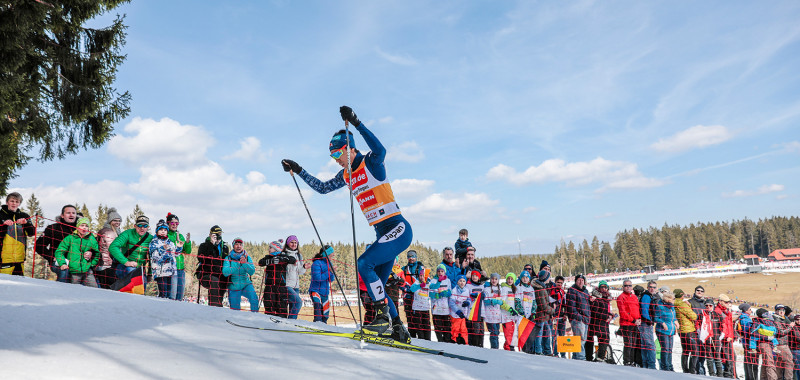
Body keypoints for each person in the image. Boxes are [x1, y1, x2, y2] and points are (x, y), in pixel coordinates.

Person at [282, 105, 413, 342]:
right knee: (378, 286)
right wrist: (299, 170)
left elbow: (381, 149)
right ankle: (398, 328)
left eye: (336, 154)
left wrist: (356, 122)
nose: (335, 161)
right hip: (382, 234)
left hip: (398, 228)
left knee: (364, 263)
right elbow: (322, 188)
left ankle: (382, 319)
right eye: (332, 157)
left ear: (349, 149)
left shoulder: (371, 163)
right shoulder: (346, 175)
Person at [35, 204, 78, 282]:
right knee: (64, 272)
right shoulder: (53, 228)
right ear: (62, 215)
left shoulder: (81, 230)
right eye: (68, 213)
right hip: (58, 261)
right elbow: (39, 246)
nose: (71, 215)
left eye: (73, 213)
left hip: (77, 261)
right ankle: (60, 292)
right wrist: (51, 257)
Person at [54, 216, 100, 287]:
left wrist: (91, 264)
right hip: (73, 271)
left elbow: (97, 253)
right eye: (82, 225)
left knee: (94, 288)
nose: (84, 227)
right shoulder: (70, 238)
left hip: (87, 270)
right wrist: (62, 263)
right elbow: (59, 251)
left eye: (86, 226)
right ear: (77, 226)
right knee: (74, 289)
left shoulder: (91, 239)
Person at [0, 192, 36, 276]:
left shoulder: (24, 216)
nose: (14, 203)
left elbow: (32, 233)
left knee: (19, 287)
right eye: (12, 201)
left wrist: (26, 223)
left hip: (19, 259)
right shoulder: (1, 215)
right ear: (7, 202)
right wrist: (3, 225)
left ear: (19, 203)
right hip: (3, 259)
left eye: (17, 202)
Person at [109, 215, 153, 281]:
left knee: (142, 286)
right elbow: (113, 247)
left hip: (140, 270)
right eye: (140, 225)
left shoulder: (150, 238)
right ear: (135, 226)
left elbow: (152, 256)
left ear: (148, 227)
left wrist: (150, 274)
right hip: (124, 266)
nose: (142, 228)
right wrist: (126, 262)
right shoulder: (127, 234)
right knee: (132, 275)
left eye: (145, 226)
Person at [196, 225, 230, 307]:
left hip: (220, 275)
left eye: (220, 234)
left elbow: (226, 261)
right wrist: (212, 244)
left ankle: (218, 304)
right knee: (214, 280)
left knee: (226, 280)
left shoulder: (224, 247)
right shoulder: (204, 246)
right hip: (206, 274)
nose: (218, 236)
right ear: (210, 235)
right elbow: (201, 259)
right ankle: (215, 306)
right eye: (216, 234)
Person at [258, 239, 295, 316]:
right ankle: (269, 319)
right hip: (269, 286)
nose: (269, 249)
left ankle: (283, 321)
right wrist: (270, 261)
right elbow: (260, 262)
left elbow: (292, 260)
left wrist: (282, 259)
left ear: (276, 248)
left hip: (281, 286)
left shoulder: (283, 256)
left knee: (282, 305)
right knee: (269, 303)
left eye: (270, 248)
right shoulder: (268, 257)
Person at [222, 238, 258, 312]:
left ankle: (255, 317)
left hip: (246, 285)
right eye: (236, 244)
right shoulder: (228, 258)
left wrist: (245, 264)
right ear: (233, 246)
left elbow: (252, 272)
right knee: (235, 310)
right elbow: (225, 272)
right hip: (233, 287)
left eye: (240, 245)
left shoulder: (247, 257)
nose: (239, 246)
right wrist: (237, 265)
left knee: (254, 298)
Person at [149, 220, 182, 298]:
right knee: (163, 293)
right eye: (161, 230)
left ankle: (166, 308)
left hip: (170, 272)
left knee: (168, 294)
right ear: (157, 231)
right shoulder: (154, 242)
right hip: (160, 272)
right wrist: (162, 248)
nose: (163, 232)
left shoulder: (170, 242)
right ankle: (160, 308)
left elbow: (175, 254)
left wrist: (179, 248)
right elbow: (154, 256)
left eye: (165, 230)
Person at [95, 208, 122, 289]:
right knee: (109, 290)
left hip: (105, 265)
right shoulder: (109, 232)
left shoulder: (114, 231)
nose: (117, 223)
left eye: (119, 220)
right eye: (115, 220)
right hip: (107, 266)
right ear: (110, 221)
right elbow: (113, 249)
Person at [165, 213, 191, 301]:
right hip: (170, 268)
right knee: (171, 295)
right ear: (168, 223)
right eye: (172, 223)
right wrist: (175, 242)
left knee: (180, 294)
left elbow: (187, 251)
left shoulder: (180, 236)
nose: (175, 225)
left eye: (177, 223)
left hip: (180, 268)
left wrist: (187, 242)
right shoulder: (166, 235)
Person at [586, 280, 613, 363]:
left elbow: (604, 311)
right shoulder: (596, 297)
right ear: (599, 288)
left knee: (605, 340)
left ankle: (600, 357)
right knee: (592, 340)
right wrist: (606, 316)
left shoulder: (606, 298)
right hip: (595, 323)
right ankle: (589, 357)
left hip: (603, 323)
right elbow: (595, 311)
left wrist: (610, 315)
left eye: (605, 287)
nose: (604, 289)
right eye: (602, 287)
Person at [617, 280, 642, 367]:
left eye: (629, 285)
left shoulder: (634, 297)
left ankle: (632, 361)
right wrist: (632, 320)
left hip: (635, 324)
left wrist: (639, 319)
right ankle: (627, 361)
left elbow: (637, 309)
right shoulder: (621, 297)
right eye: (626, 285)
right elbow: (622, 312)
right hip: (626, 324)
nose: (628, 287)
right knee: (628, 343)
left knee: (634, 344)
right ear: (623, 287)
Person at [401, 250, 425, 339]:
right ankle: (412, 337)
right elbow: (400, 282)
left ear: (416, 257)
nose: (411, 258)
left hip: (418, 296)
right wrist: (404, 288)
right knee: (409, 317)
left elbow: (426, 280)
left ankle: (422, 338)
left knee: (418, 317)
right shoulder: (404, 269)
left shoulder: (420, 268)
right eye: (409, 256)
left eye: (413, 256)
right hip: (407, 296)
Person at [283, 235, 308, 319]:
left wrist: (304, 267)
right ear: (287, 243)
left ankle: (291, 325)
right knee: (298, 302)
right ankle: (290, 322)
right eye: (292, 242)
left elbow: (300, 272)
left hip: (296, 286)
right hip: (287, 285)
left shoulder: (299, 256)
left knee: (293, 306)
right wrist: (290, 264)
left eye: (295, 243)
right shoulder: (284, 254)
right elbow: (282, 269)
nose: (294, 244)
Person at [309, 245, 336, 323]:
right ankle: (317, 325)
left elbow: (331, 280)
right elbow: (318, 278)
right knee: (318, 310)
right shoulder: (316, 263)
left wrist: (332, 272)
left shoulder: (329, 263)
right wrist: (329, 271)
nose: (333, 255)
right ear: (326, 254)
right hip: (316, 291)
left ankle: (324, 327)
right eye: (332, 253)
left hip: (325, 293)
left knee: (326, 314)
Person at [566, 274, 590, 360]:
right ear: (575, 281)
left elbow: (587, 305)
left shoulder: (585, 291)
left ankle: (575, 357)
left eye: (582, 280)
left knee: (582, 340)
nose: (580, 282)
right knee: (579, 340)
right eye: (579, 280)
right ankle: (581, 358)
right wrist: (579, 317)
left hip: (586, 318)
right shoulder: (572, 290)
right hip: (578, 319)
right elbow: (571, 306)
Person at [675, 288, 699, 374]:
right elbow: (693, 316)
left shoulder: (674, 303)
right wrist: (689, 306)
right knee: (695, 351)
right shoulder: (682, 304)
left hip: (681, 330)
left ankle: (685, 369)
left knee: (685, 350)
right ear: (682, 295)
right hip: (688, 330)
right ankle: (692, 370)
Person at [751, 308, 779, 380]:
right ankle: (773, 378)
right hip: (763, 343)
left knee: (765, 362)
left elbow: (775, 332)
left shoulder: (771, 322)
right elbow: (752, 332)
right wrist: (766, 337)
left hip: (770, 344)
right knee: (770, 362)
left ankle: (763, 378)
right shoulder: (758, 322)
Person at [428, 264, 452, 343]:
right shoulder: (433, 281)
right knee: (438, 327)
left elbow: (450, 292)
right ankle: (440, 341)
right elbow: (430, 294)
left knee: (447, 327)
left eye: (442, 271)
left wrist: (447, 293)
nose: (440, 273)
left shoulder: (447, 280)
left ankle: (447, 342)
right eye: (438, 271)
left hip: (445, 309)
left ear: (444, 272)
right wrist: (436, 295)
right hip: (436, 309)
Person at [654, 291, 677, 371]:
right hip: (662, 331)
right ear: (668, 299)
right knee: (665, 349)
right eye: (673, 298)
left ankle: (670, 366)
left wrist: (676, 321)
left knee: (670, 349)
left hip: (671, 330)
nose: (674, 300)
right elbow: (656, 317)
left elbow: (673, 317)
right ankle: (665, 366)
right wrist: (662, 323)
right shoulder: (660, 306)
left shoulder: (672, 307)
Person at [516, 270, 538, 353]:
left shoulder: (531, 288)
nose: (525, 279)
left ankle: (529, 350)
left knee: (529, 334)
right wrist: (521, 312)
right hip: (522, 315)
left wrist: (533, 312)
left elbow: (534, 302)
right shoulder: (518, 287)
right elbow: (517, 301)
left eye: (526, 278)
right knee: (522, 334)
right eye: (523, 278)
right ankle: (522, 350)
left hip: (530, 314)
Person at [532, 269, 553, 355]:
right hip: (540, 316)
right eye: (548, 277)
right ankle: (538, 350)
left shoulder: (542, 287)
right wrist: (553, 310)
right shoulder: (540, 290)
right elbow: (543, 306)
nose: (549, 279)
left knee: (547, 333)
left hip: (544, 317)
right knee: (539, 334)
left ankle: (547, 351)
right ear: (545, 278)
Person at [639, 280, 659, 369]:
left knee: (645, 344)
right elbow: (644, 309)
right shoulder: (646, 296)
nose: (652, 289)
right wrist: (649, 320)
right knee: (650, 344)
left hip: (645, 322)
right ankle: (651, 365)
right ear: (647, 288)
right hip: (646, 323)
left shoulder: (650, 296)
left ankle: (645, 364)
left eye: (654, 287)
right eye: (650, 287)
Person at [482, 273, 505, 349]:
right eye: (492, 279)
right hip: (489, 315)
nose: (494, 280)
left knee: (497, 332)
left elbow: (503, 300)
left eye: (496, 279)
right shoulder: (487, 289)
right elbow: (484, 301)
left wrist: (501, 302)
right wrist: (491, 301)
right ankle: (494, 348)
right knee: (493, 332)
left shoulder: (501, 289)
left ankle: (496, 348)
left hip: (497, 315)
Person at [408, 268, 432, 341]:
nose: (421, 277)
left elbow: (434, 288)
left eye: (423, 276)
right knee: (419, 326)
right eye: (420, 275)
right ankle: (421, 340)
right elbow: (412, 289)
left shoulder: (428, 283)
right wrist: (420, 286)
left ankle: (428, 340)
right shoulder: (416, 282)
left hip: (426, 308)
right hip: (417, 308)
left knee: (427, 325)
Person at [689, 285, 708, 374]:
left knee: (702, 352)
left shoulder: (705, 303)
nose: (699, 292)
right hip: (693, 329)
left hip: (703, 330)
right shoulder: (690, 302)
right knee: (694, 351)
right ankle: (693, 370)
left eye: (701, 291)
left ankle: (701, 370)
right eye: (698, 290)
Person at [716, 294, 736, 378]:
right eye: (726, 302)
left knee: (732, 357)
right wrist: (726, 336)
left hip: (729, 338)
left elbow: (729, 325)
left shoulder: (726, 311)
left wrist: (732, 335)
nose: (728, 303)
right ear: (721, 302)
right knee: (726, 358)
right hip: (724, 338)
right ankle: (727, 375)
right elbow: (721, 326)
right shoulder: (718, 311)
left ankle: (731, 374)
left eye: (728, 302)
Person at [773, 305, 795, 380]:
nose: (781, 311)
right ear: (776, 311)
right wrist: (790, 327)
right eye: (779, 310)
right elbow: (781, 332)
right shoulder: (776, 320)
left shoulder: (782, 318)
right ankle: (788, 378)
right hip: (781, 344)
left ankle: (778, 378)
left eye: (783, 310)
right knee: (789, 361)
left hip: (780, 344)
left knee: (779, 363)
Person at [737, 303, 758, 380]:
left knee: (747, 361)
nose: (751, 311)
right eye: (750, 309)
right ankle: (751, 378)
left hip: (745, 342)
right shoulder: (745, 319)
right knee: (751, 362)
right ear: (746, 310)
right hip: (748, 343)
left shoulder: (743, 317)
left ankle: (748, 377)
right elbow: (748, 331)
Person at [464, 270, 485, 347]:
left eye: (476, 276)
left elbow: (485, 296)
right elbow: (467, 296)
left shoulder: (482, 286)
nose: (474, 277)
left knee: (481, 330)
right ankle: (475, 345)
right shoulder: (468, 286)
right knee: (475, 329)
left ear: (479, 277)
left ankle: (481, 345)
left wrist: (483, 296)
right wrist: (471, 297)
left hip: (481, 311)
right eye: (473, 276)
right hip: (473, 311)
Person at [449, 274, 470, 345]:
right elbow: (451, 303)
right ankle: (454, 342)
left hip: (463, 314)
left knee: (463, 329)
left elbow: (469, 298)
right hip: (455, 314)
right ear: (457, 282)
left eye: (464, 281)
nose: (462, 282)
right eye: (460, 281)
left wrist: (467, 302)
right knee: (455, 329)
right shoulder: (454, 291)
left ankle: (465, 343)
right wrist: (457, 311)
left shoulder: (467, 290)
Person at [500, 273, 519, 351]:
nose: (510, 280)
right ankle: (508, 348)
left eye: (511, 279)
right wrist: (510, 309)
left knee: (512, 332)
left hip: (512, 315)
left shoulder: (514, 289)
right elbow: (502, 302)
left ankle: (510, 346)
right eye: (508, 278)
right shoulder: (504, 288)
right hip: (506, 315)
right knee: (508, 333)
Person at [551, 275, 568, 358]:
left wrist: (565, 314)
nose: (559, 284)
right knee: (554, 336)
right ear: (555, 282)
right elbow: (550, 303)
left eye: (561, 283)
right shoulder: (552, 291)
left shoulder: (563, 292)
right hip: (554, 318)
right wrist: (551, 314)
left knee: (562, 336)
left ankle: (563, 354)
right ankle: (555, 353)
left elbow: (565, 305)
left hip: (561, 318)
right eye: (558, 282)